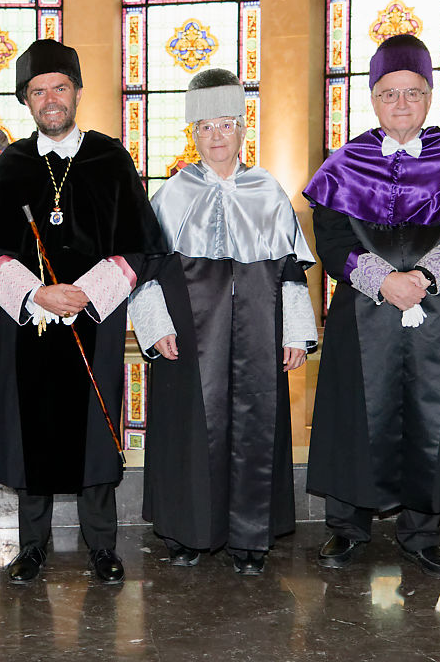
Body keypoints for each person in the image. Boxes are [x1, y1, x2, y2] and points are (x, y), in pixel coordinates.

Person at [0, 39, 166, 585]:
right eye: (37, 91)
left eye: (59, 88)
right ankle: (32, 547)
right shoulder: (11, 163)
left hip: (95, 322)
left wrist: (86, 292)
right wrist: (36, 295)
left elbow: (141, 248)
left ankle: (102, 546)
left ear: (76, 92)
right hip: (29, 326)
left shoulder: (110, 157)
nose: (49, 99)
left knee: (96, 433)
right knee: (32, 434)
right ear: (26, 101)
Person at [302, 34, 440, 579]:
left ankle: (423, 534)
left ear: (431, 96)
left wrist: (423, 278)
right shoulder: (344, 164)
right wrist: (383, 281)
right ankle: (346, 529)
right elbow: (333, 241)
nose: (402, 105)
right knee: (352, 416)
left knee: (429, 420)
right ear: (373, 98)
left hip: (438, 315)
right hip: (362, 314)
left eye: (413, 93)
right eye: (390, 94)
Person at [128, 69, 318, 575]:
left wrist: (296, 332)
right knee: (188, 431)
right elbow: (145, 273)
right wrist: (155, 328)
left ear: (242, 129)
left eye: (226, 126)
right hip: (187, 340)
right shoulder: (171, 194)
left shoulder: (268, 191)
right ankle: (187, 533)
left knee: (257, 431)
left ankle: (250, 541)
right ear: (193, 135)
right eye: (206, 127)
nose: (217, 137)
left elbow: (292, 271)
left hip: (258, 336)